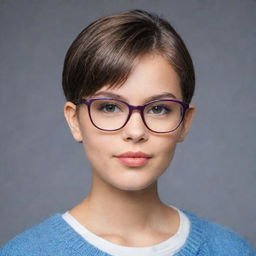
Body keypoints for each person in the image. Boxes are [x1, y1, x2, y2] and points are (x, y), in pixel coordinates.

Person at [1, 9, 255, 256]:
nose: (135, 131)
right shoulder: (27, 252)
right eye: (109, 107)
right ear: (74, 120)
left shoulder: (230, 250)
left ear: (184, 122)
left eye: (158, 109)